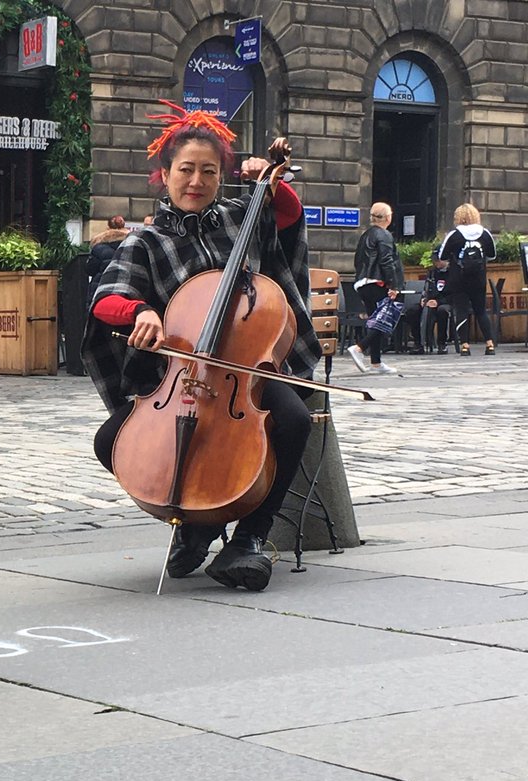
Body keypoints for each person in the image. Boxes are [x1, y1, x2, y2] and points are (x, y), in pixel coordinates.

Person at [82, 102, 318, 593]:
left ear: (221, 178)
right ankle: (197, 524)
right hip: (179, 378)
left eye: (209, 172)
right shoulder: (144, 242)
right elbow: (108, 299)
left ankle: (251, 537)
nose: (196, 181)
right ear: (164, 174)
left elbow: (288, 218)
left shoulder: (241, 217)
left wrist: (271, 182)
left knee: (293, 418)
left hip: (244, 370)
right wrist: (140, 311)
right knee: (111, 442)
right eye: (185, 170)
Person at [346, 204, 405, 375]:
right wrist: (393, 285)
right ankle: (359, 348)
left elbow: (358, 260)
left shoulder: (366, 235)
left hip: (363, 282)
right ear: (388, 217)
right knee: (383, 320)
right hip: (377, 282)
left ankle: (376, 362)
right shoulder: (384, 235)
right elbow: (387, 260)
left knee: (375, 321)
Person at [438, 203, 497, 356]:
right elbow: (492, 254)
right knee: (481, 311)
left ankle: (465, 346)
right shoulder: (484, 233)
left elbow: (442, 256)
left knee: (461, 310)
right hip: (479, 278)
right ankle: (490, 344)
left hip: (459, 278)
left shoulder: (454, 234)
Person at [86, 215, 130, 303]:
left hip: (101, 288)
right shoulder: (131, 245)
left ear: (108, 227)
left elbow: (90, 269)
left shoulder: (98, 247)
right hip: (125, 288)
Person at [421, 250, 453, 354]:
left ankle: (442, 343)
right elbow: (428, 288)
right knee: (413, 310)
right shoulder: (432, 272)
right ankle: (419, 343)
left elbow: (454, 292)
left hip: (447, 302)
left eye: (438, 260)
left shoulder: (453, 272)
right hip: (431, 300)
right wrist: (424, 299)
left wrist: (438, 302)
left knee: (441, 311)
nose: (436, 263)